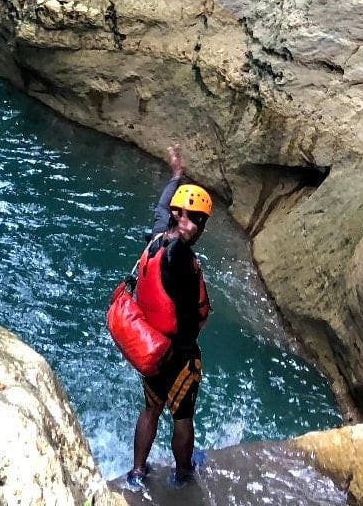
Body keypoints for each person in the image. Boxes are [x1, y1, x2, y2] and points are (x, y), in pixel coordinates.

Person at [127, 151, 213, 490]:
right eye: (187, 217)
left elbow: (162, 207)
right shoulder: (180, 258)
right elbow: (195, 320)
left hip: (151, 349)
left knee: (151, 409)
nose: (191, 224)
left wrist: (176, 175)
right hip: (177, 355)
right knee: (182, 418)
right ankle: (183, 473)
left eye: (197, 219)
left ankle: (137, 473)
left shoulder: (158, 235)